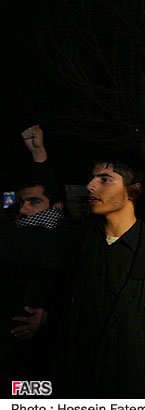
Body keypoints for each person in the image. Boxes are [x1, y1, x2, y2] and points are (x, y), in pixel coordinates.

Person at [65, 148, 145, 398]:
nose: (90, 186)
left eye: (105, 179)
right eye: (93, 178)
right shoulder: (84, 246)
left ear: (133, 191)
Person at [0, 124, 70, 395]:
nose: (25, 209)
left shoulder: (63, 241)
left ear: (57, 209)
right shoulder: (17, 231)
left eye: (34, 203)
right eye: (22, 203)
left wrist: (49, 316)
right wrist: (38, 156)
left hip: (41, 359)